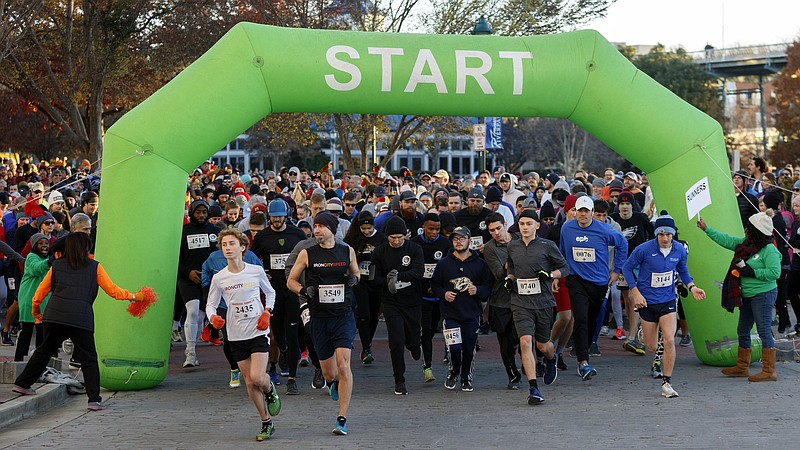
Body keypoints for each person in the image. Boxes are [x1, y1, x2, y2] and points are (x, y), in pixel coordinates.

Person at [11, 232, 148, 411]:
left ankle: (22, 383)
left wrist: (37, 313)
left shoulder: (57, 266)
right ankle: (94, 400)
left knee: (43, 351)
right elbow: (113, 291)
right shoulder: (95, 267)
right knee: (89, 359)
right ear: (86, 249)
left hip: (54, 316)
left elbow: (39, 295)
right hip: (80, 318)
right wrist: (133, 296)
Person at [287, 212, 359, 435]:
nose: (316, 230)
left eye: (320, 226)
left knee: (344, 364)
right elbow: (290, 279)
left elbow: (356, 273)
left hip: (343, 315)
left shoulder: (346, 250)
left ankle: (342, 418)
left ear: (332, 229)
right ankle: (332, 383)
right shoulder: (307, 253)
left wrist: (353, 279)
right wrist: (303, 290)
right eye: (315, 226)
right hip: (319, 317)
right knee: (329, 373)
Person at [205, 227, 280, 441]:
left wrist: (267, 312)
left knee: (258, 377)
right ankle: (266, 422)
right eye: (224, 245)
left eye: (232, 244)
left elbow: (270, 292)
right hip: (236, 334)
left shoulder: (255, 271)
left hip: (258, 330)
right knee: (249, 382)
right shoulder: (220, 278)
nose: (227, 248)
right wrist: (213, 318)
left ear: (242, 247)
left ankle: (269, 388)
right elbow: (210, 304)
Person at [622, 212, 706, 398]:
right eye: (661, 234)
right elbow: (627, 268)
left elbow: (683, 270)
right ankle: (643, 334)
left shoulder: (679, 250)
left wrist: (692, 286)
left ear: (673, 233)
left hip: (667, 300)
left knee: (669, 340)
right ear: (656, 234)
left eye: (668, 234)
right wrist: (635, 292)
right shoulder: (643, 249)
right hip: (646, 301)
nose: (665, 238)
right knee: (651, 346)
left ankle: (666, 383)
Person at [698, 211, 781, 382]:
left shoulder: (769, 250)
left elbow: (775, 272)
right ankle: (742, 366)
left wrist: (752, 271)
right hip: (748, 295)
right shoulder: (745, 245)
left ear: (757, 232)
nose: (746, 230)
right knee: (742, 329)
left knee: (764, 329)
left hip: (763, 294)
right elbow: (726, 240)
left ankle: (769, 371)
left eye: (749, 228)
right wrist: (707, 229)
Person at [560, 196, 627, 380]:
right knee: (580, 317)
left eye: (586, 211)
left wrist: (616, 271)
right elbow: (563, 251)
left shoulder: (604, 230)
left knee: (591, 320)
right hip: (576, 280)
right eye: (579, 210)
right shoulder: (567, 228)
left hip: (598, 282)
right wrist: (561, 271)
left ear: (591, 212)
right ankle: (583, 363)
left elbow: (623, 244)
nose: (582, 214)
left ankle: (585, 351)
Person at [505, 210, 569, 404]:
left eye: (529, 223)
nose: (525, 227)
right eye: (522, 223)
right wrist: (509, 279)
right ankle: (533, 388)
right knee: (525, 342)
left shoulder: (547, 246)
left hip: (542, 302)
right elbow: (512, 267)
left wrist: (550, 275)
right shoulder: (512, 246)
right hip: (520, 302)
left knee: (543, 345)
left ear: (537, 226)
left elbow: (565, 268)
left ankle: (551, 360)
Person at [250, 198, 308, 394]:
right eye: (273, 217)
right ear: (269, 217)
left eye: (280, 216)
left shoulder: (297, 234)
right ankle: (274, 365)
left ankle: (292, 377)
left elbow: (307, 257)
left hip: (292, 290)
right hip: (272, 290)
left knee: (292, 333)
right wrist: (260, 271)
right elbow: (250, 258)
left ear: (286, 216)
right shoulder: (262, 237)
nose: (277, 220)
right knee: (275, 336)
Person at [430, 226, 492, 392]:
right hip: (450, 314)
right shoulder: (444, 263)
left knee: (469, 349)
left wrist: (477, 290)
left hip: (471, 314)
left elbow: (487, 286)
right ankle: (453, 371)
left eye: (462, 238)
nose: (458, 242)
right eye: (455, 239)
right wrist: (443, 294)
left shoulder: (480, 264)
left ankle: (466, 377)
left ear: (469, 240)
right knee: (454, 347)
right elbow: (434, 284)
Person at [371, 215, 424, 395]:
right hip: (391, 302)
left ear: (405, 235)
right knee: (396, 341)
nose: (396, 241)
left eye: (399, 238)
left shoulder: (415, 249)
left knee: (413, 339)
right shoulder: (379, 252)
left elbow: (418, 272)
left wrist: (399, 277)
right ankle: (399, 379)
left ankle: (416, 346)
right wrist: (387, 281)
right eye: (392, 238)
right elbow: (373, 278)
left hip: (412, 301)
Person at [482, 212, 523, 389]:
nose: (496, 233)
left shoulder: (520, 238)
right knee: (505, 342)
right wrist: (511, 262)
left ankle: (536, 361)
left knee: (523, 336)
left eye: (498, 228)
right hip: (501, 300)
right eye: (492, 230)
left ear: (505, 224)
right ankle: (512, 374)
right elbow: (499, 274)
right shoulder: (490, 248)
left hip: (523, 297)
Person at [177, 200, 220, 368]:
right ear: (192, 213)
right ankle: (190, 352)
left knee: (201, 316)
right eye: (198, 212)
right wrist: (188, 273)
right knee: (193, 311)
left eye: (204, 212)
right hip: (188, 279)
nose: (201, 215)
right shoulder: (182, 232)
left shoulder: (216, 232)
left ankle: (195, 343)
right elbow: (174, 259)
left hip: (209, 281)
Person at [411, 213, 452, 382]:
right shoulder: (414, 244)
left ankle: (451, 363)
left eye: (437, 229)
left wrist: (438, 287)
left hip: (442, 297)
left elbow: (449, 269)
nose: (434, 232)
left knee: (448, 330)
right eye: (430, 229)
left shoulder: (445, 243)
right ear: (423, 227)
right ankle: (427, 367)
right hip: (423, 297)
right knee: (426, 331)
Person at [344, 211, 386, 365]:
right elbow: (348, 257)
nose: (367, 231)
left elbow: (385, 258)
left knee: (374, 314)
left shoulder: (381, 238)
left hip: (376, 280)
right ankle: (366, 348)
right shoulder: (353, 238)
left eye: (369, 228)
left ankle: (368, 344)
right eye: (363, 229)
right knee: (364, 314)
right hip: (360, 281)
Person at [14, 233, 51, 361]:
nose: (44, 246)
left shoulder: (49, 260)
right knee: (27, 331)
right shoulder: (31, 257)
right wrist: (51, 261)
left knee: (42, 333)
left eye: (46, 243)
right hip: (29, 299)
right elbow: (37, 269)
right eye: (40, 243)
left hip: (43, 300)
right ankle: (18, 361)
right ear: (34, 245)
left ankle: (38, 363)